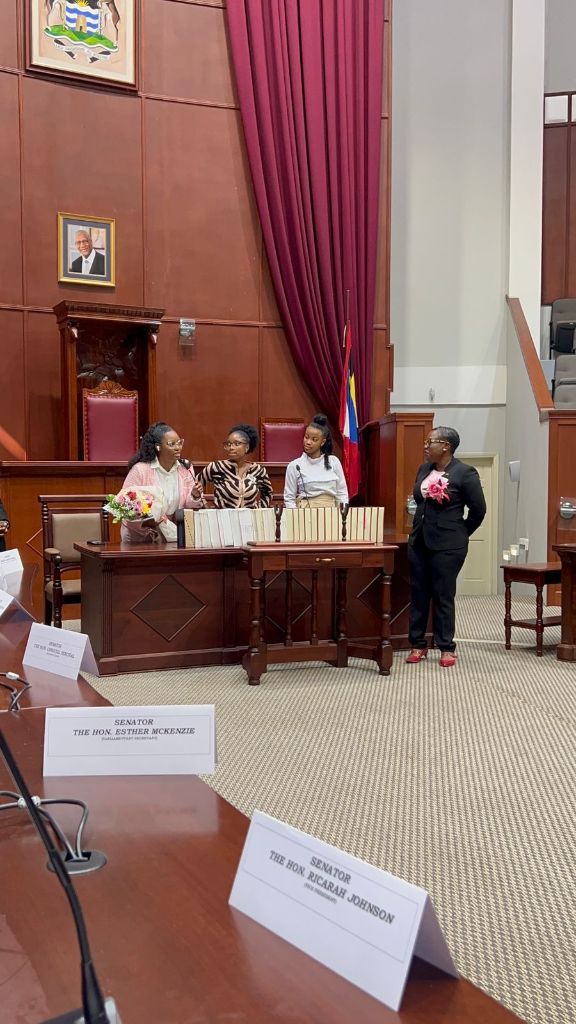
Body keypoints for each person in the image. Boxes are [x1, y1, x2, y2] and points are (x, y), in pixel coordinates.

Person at [406, 426, 486, 667]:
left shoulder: (465, 473)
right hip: (419, 541)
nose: (426, 446)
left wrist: (460, 532)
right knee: (419, 593)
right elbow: (419, 502)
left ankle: (446, 647)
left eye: (431, 442)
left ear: (446, 447)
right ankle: (417, 644)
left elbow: (478, 510)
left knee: (443, 594)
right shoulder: (424, 470)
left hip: (448, 545)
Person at [120, 422, 204, 542]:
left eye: (180, 442)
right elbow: (125, 503)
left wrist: (194, 495)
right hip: (140, 537)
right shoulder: (140, 469)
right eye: (171, 444)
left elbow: (187, 506)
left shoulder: (185, 468)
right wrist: (149, 520)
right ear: (158, 447)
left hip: (171, 535)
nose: (178, 447)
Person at [199, 424, 272, 508]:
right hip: (223, 519)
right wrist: (205, 507)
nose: (231, 447)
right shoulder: (217, 467)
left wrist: (258, 510)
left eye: (236, 444)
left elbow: (268, 493)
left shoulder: (258, 470)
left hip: (249, 519)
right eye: (228, 444)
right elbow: (194, 486)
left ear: (247, 447)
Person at [284, 414, 348, 508]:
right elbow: (289, 498)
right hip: (305, 515)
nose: (308, 442)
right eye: (306, 437)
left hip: (331, 514)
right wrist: (296, 519)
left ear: (322, 442)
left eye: (314, 439)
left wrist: (342, 517)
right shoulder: (294, 465)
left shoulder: (334, 462)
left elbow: (342, 494)